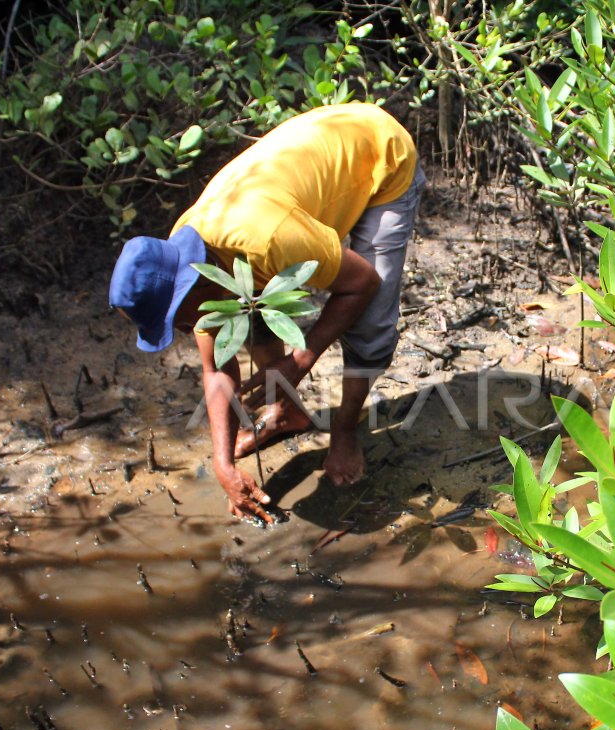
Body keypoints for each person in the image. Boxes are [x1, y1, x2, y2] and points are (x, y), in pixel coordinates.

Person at [109, 103, 424, 523]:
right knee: (248, 315)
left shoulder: (267, 239)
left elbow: (362, 282)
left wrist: (300, 359)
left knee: (369, 323)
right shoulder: (181, 264)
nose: (186, 329)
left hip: (379, 155)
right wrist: (222, 465)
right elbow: (218, 366)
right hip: (311, 172)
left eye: (175, 320)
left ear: (192, 286)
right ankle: (289, 414)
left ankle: (346, 432)